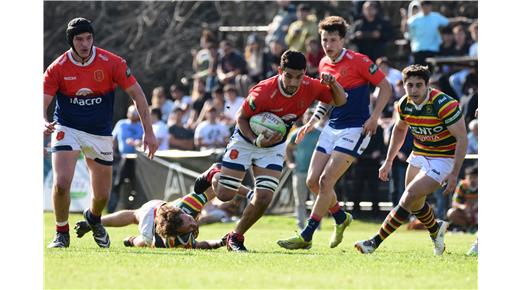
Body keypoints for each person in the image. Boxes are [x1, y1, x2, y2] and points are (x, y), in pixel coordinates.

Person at [277, 15, 392, 250]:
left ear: (342, 40)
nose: (327, 45)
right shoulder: (323, 64)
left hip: (356, 127)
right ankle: (341, 217)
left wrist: (374, 117)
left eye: (332, 40)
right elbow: (326, 100)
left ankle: (307, 235)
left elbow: (386, 87)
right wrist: (312, 123)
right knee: (312, 182)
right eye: (324, 40)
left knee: (326, 180)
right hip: (332, 126)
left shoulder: (359, 60)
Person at [215, 50, 347, 252]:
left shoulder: (310, 85)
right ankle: (214, 174)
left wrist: (333, 83)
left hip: (274, 146)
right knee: (224, 195)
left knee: (265, 198)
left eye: (299, 76)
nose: (294, 82)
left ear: (305, 73)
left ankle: (236, 237)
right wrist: (255, 140)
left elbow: (340, 101)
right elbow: (241, 118)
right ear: (280, 71)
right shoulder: (263, 91)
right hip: (245, 139)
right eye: (289, 76)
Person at [43, 17, 158, 248]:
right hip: (67, 127)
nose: (85, 44)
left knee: (102, 196)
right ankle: (61, 233)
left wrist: (149, 132)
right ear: (71, 41)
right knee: (62, 182)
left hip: (100, 132)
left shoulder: (111, 62)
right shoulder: (57, 67)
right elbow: (41, 102)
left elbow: (138, 95)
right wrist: (42, 121)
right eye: (79, 39)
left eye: (88, 38)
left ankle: (94, 218)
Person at [354, 64, 468, 256]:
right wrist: (388, 161)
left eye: (418, 85)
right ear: (404, 85)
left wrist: (455, 173)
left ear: (427, 85)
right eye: (410, 85)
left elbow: (462, 138)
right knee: (415, 204)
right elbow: (399, 129)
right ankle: (435, 229)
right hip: (420, 155)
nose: (414, 90)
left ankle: (374, 242)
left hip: (444, 159)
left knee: (409, 196)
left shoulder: (444, 104)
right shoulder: (403, 104)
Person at [75, 163, 254, 249]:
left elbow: (216, 191)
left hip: (152, 214)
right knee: (141, 239)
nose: (193, 223)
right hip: (151, 222)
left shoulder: (185, 209)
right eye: (191, 224)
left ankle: (96, 222)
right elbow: (200, 245)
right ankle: (128, 239)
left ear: (179, 216)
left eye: (188, 222)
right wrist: (220, 243)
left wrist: (240, 190)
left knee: (135, 219)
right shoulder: (177, 239)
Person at [286, 108, 324, 230]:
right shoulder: (296, 133)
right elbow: (288, 148)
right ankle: (300, 226)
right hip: (300, 172)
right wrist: (290, 163)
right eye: (307, 116)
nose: (309, 118)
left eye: (312, 116)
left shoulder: (321, 133)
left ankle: (315, 226)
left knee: (316, 201)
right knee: (300, 201)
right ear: (303, 118)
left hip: (316, 173)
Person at [446, 165, 478, 232]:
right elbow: (454, 203)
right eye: (470, 178)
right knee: (451, 213)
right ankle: (470, 228)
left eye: (475, 177)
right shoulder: (462, 185)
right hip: (466, 213)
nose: (472, 180)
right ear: (466, 178)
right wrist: (463, 207)